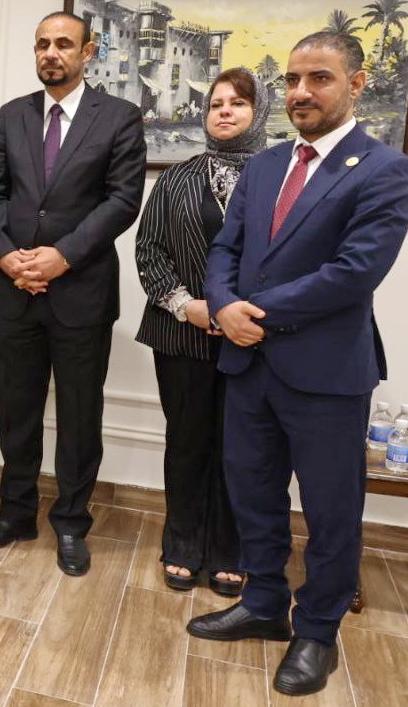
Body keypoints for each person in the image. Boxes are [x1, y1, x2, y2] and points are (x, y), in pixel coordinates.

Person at [188, 33, 408, 697]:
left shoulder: (384, 168)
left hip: (325, 374)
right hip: (248, 365)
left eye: (319, 78)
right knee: (254, 496)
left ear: (356, 84)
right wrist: (222, 303)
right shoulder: (265, 165)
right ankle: (263, 604)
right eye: (291, 79)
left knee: (330, 512)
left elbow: (353, 272)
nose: (300, 92)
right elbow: (226, 248)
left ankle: (317, 631)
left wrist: (249, 312)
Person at [0, 11, 146, 576]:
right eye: (42, 44)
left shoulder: (118, 117)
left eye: (63, 44)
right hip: (14, 289)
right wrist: (5, 255)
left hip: (81, 294)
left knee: (78, 416)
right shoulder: (12, 114)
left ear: (87, 53)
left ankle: (71, 522)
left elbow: (122, 200)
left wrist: (62, 256)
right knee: (14, 411)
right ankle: (15, 514)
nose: (51, 53)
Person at [135, 67, 267, 595]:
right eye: (216, 104)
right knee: (187, 443)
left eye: (238, 102)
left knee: (242, 448)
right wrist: (185, 305)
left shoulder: (282, 179)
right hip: (182, 336)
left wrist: (245, 312)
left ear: (258, 111)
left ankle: (231, 549)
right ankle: (184, 543)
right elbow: (149, 250)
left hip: (254, 338)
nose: (225, 111)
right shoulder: (176, 178)